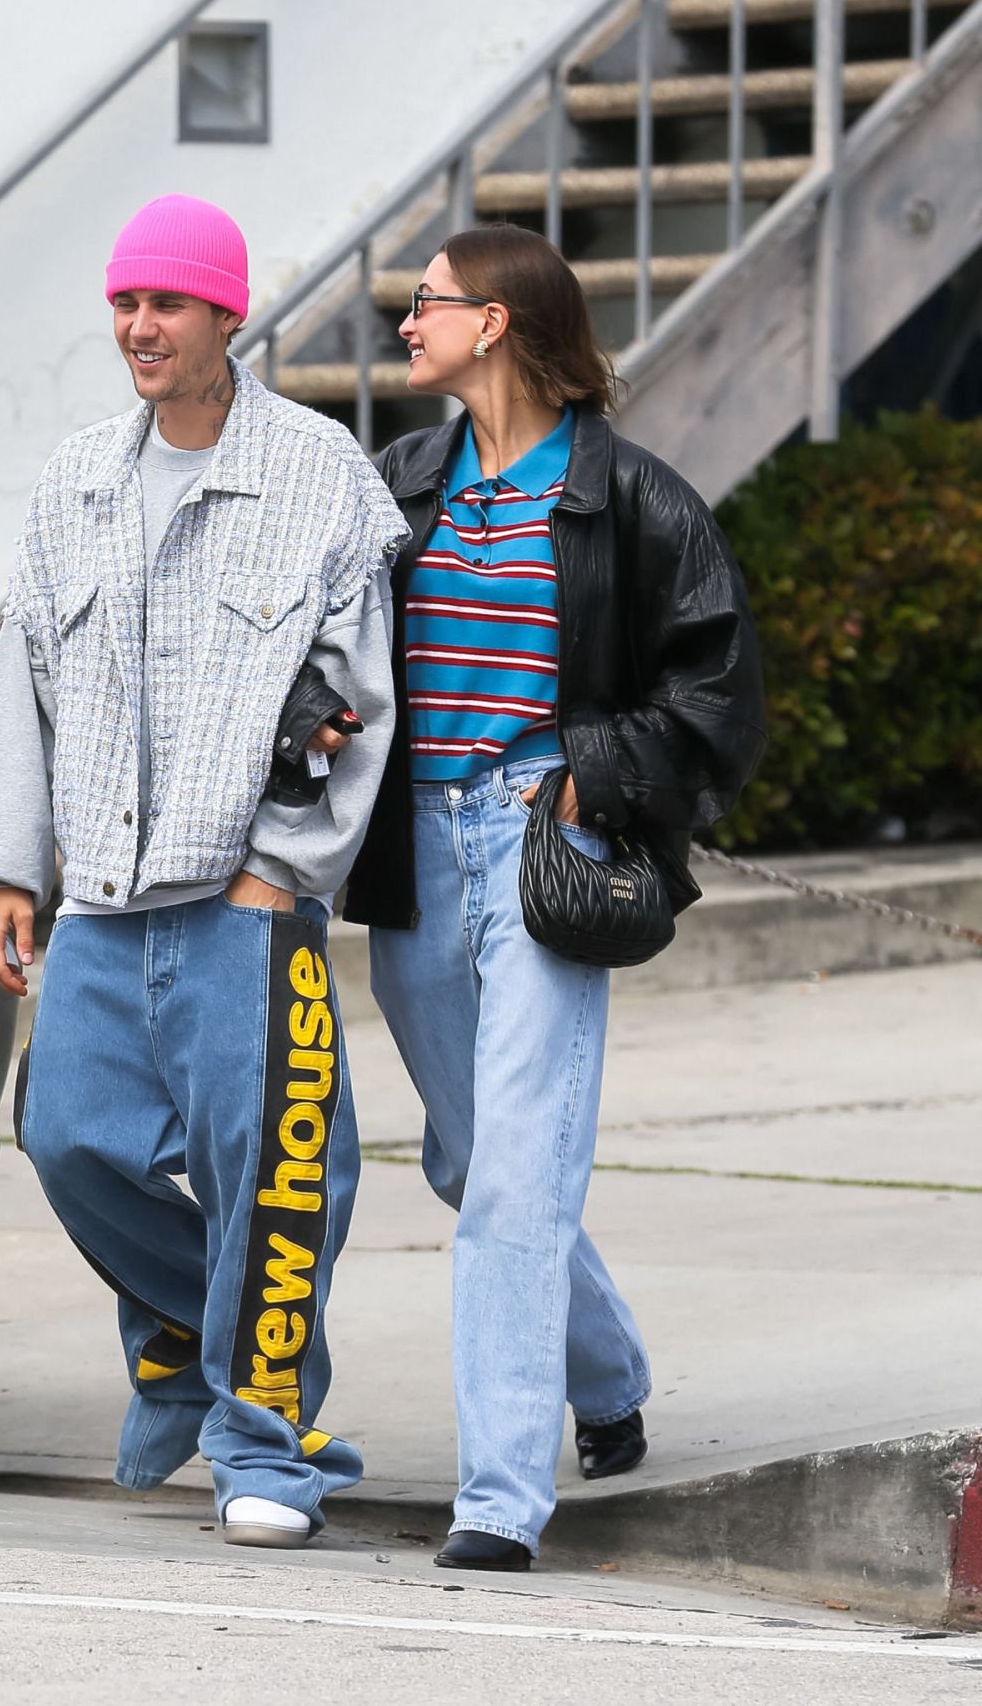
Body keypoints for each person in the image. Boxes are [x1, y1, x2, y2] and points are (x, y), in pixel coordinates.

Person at [0, 194, 408, 1550]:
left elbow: (352, 690)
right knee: (67, 1138)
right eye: (127, 304)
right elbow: (21, 675)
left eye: (169, 305)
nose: (140, 328)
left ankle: (269, 1448)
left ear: (226, 317)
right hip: (99, 898)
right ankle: (180, 1349)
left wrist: (285, 866)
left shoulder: (319, 476)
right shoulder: (77, 478)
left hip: (240, 900)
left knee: (272, 1175)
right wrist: (7, 871)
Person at [344, 223, 765, 1572]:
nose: (406, 324)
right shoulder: (402, 485)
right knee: (474, 1162)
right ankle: (609, 1372)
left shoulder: (630, 500)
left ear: (501, 325)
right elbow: (334, 653)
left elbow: (717, 695)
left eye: (428, 304)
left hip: (545, 845)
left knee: (521, 1177)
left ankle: (500, 1499)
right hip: (414, 854)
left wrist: (591, 778)